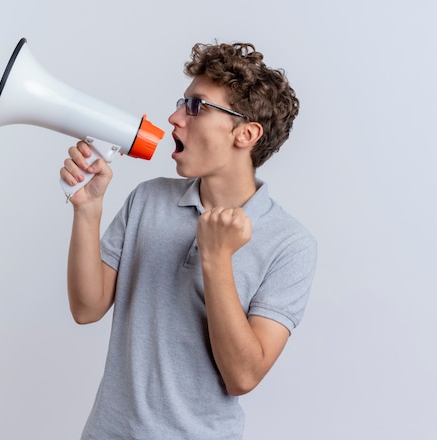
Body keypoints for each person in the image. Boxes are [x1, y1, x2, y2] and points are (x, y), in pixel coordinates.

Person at [60, 41, 317, 440]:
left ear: (245, 133)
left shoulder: (290, 244)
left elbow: (243, 376)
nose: (175, 117)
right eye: (182, 103)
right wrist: (87, 210)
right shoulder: (148, 198)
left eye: (196, 106)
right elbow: (86, 307)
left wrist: (216, 258)